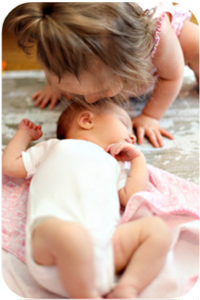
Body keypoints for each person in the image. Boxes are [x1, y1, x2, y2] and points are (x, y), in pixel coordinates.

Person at [2, 100, 171, 298]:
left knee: (157, 230)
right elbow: (10, 166)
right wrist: (24, 135)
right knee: (72, 236)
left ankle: (128, 287)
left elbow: (132, 196)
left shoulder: (114, 165)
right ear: (86, 120)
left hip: (105, 250)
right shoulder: (55, 147)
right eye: (124, 124)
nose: (131, 136)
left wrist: (137, 160)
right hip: (55, 247)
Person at [9, 2, 199, 148]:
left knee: (195, 44)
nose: (89, 100)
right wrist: (55, 85)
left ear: (128, 68)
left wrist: (150, 116)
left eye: (99, 90)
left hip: (166, 52)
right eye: (77, 92)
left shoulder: (158, 36)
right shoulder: (61, 41)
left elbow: (172, 77)